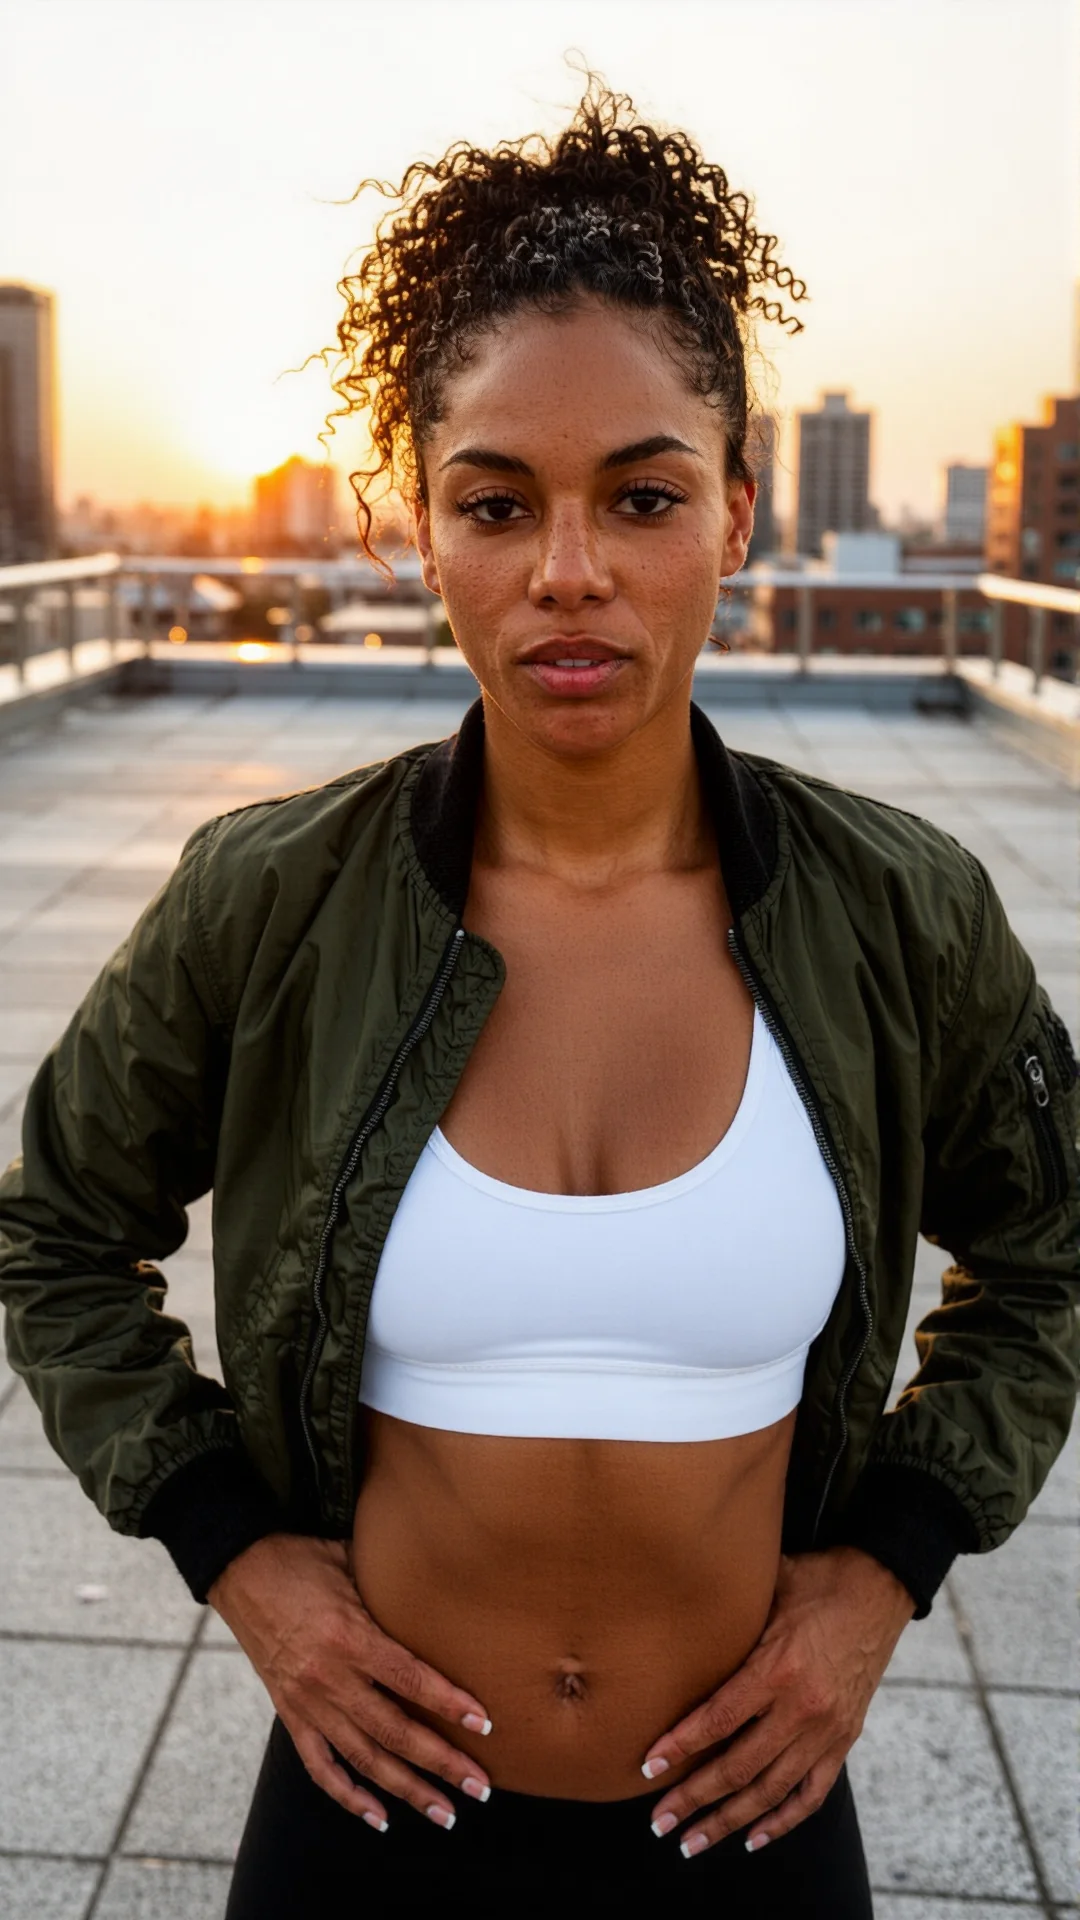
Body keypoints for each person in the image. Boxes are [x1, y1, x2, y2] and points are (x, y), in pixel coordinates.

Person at [1, 81, 1077, 1920]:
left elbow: (1048, 1257)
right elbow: (51, 1239)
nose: (568, 570)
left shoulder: (902, 914)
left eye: (642, 496)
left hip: (746, 1826)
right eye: (497, 503)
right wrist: (238, 1558)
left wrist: (883, 1572)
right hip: (370, 1823)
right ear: (421, 531)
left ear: (739, 510)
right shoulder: (271, 904)